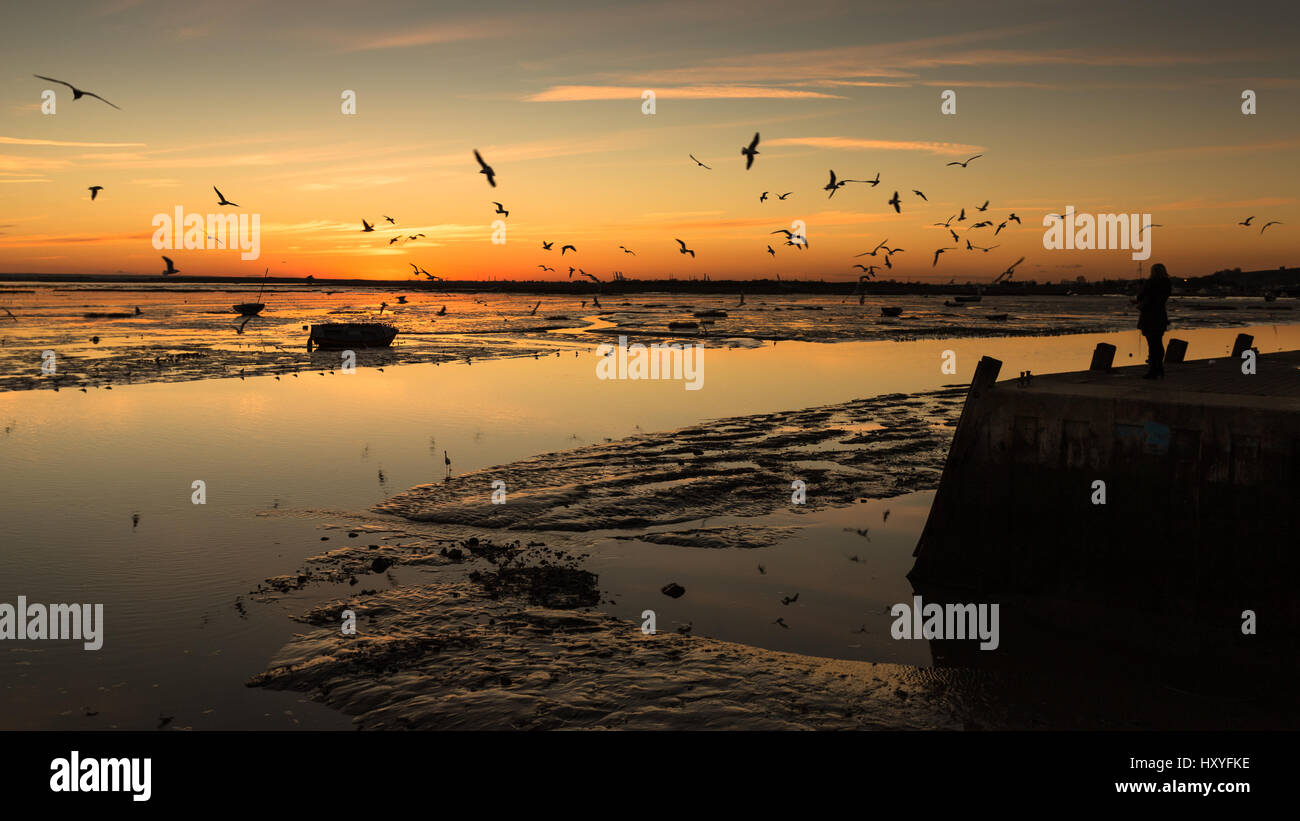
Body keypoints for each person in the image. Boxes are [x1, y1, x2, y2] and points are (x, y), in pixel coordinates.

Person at [1136, 263, 1171, 379]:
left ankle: (1153, 370)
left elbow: (1140, 296)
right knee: (1158, 342)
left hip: (1149, 316)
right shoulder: (1167, 283)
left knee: (1152, 343)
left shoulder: (1150, 283)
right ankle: (1159, 368)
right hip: (1160, 316)